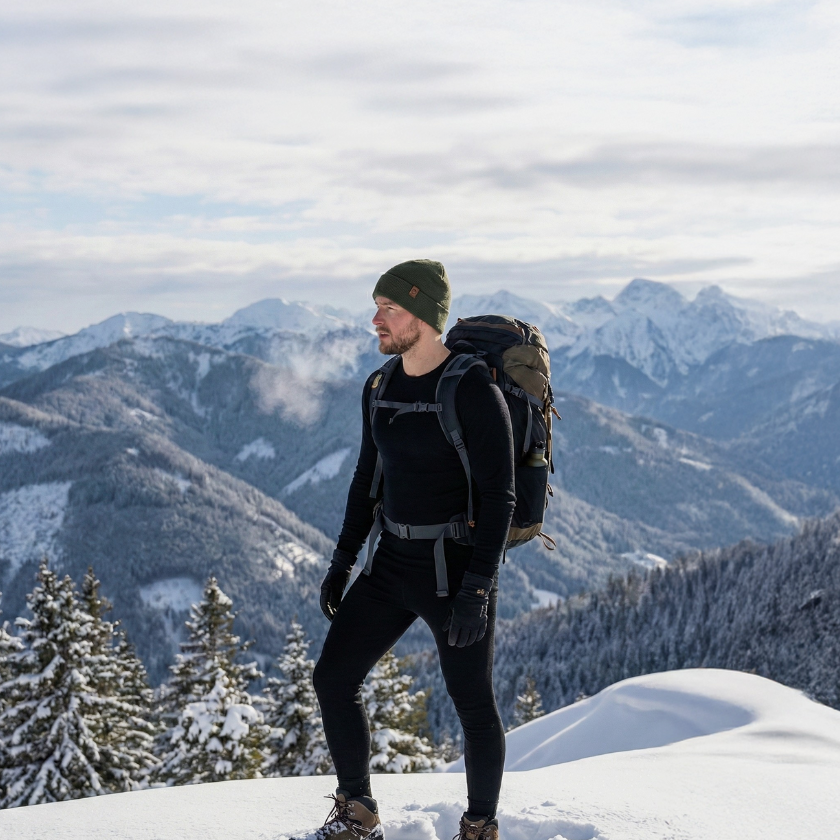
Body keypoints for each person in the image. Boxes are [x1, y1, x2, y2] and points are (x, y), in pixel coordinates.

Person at [295, 259, 515, 840]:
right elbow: (366, 482)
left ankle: (479, 826)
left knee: (473, 704)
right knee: (333, 679)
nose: (375, 320)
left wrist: (478, 589)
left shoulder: (472, 388)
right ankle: (357, 813)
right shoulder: (381, 387)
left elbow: (499, 497)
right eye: (376, 307)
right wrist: (341, 563)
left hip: (455, 571)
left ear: (424, 315)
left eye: (388, 308)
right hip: (391, 564)